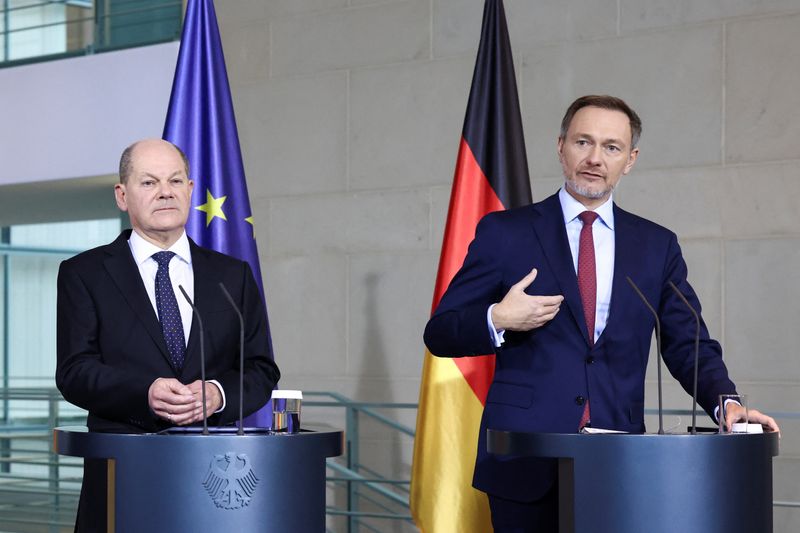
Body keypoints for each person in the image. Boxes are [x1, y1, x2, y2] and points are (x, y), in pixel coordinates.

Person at [423, 95, 779, 532]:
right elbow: (441, 332)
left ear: (630, 160)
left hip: (619, 463)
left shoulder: (656, 245)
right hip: (523, 458)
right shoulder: (506, 232)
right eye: (583, 142)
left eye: (611, 147)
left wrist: (727, 403)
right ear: (560, 147)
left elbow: (689, 342)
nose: (594, 158)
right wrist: (497, 317)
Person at [56, 139, 280, 532]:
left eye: (176, 180)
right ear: (122, 196)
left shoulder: (232, 275)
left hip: (214, 478)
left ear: (191, 191)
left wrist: (218, 394)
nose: (165, 191)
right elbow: (75, 371)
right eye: (149, 182)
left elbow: (261, 369)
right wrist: (145, 391)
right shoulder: (84, 273)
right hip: (121, 474)